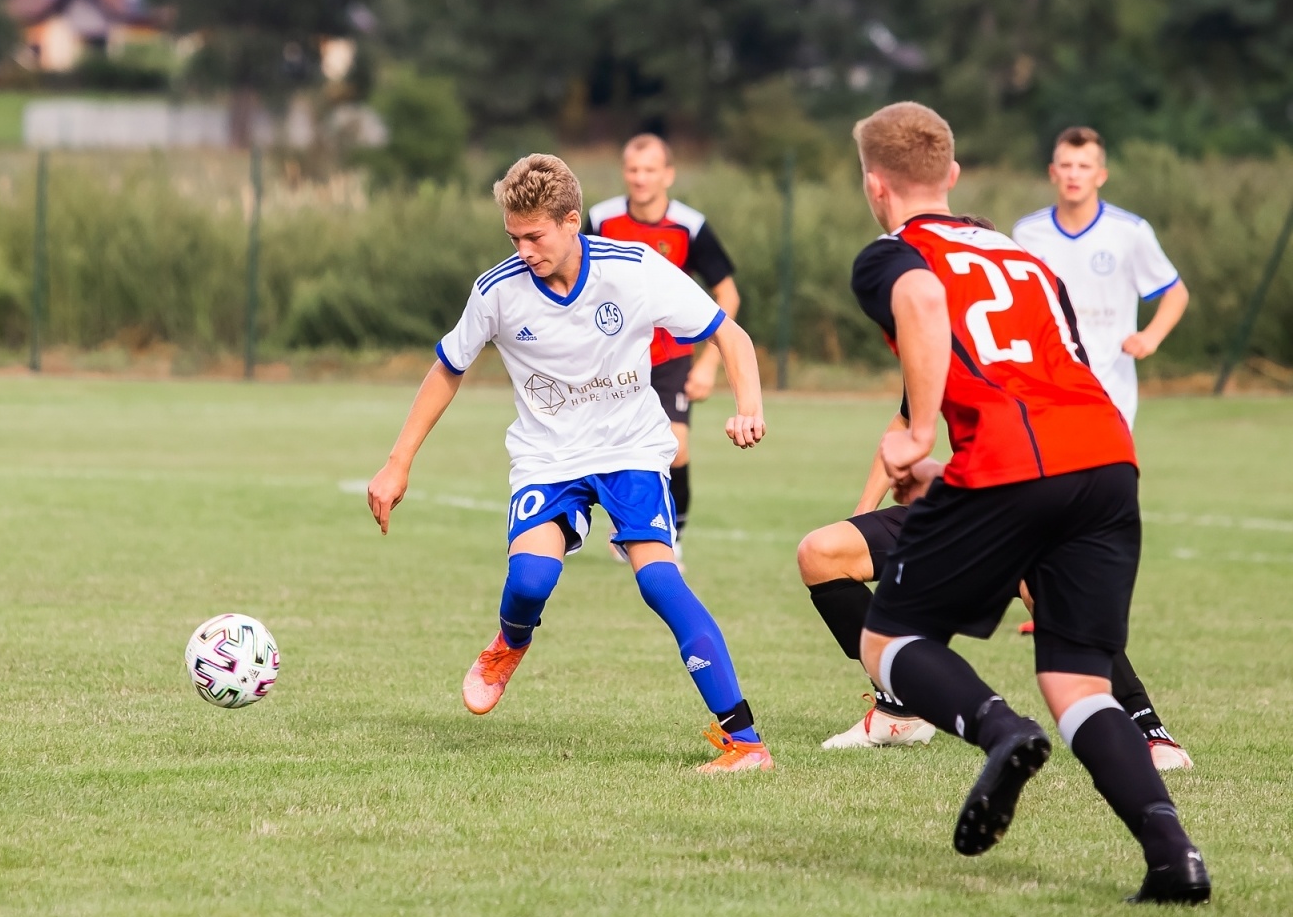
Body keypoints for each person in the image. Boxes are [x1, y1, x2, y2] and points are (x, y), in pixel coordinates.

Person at [845, 102, 1208, 902]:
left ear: (876, 184)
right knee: (1080, 681)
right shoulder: (1025, 257)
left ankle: (1000, 731)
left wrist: (918, 429)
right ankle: (1172, 855)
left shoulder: (890, 252)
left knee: (888, 637)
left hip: (1016, 458)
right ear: (954, 175)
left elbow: (925, 305)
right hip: (1108, 456)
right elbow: (1055, 366)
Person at [366, 153, 774, 773]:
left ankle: (745, 743)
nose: (524, 249)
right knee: (530, 580)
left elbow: (730, 333)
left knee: (660, 582)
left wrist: (749, 404)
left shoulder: (633, 270)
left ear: (572, 222)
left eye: (535, 236)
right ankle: (509, 642)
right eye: (514, 236)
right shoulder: (497, 291)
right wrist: (398, 462)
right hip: (547, 456)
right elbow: (447, 369)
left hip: (631, 449)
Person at [796, 404, 1195, 769]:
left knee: (1045, 592)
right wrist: (863, 513)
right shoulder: (933, 339)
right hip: (958, 505)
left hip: (1034, 500)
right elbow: (907, 420)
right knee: (822, 553)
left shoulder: (1032, 343)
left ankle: (1147, 729)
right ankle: (900, 709)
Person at [1009, 127, 1190, 636]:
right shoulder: (1027, 235)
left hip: (1108, 396)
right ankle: (1049, 605)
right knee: (1045, 500)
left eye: (1084, 166)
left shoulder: (1129, 232)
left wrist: (1150, 337)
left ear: (1100, 175)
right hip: (1044, 394)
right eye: (1065, 165)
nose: (1073, 175)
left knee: (1094, 507)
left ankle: (1091, 611)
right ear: (1052, 172)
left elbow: (1174, 293)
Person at [586, 134, 740, 559]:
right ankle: (620, 529)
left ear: (667, 174)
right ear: (624, 173)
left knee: (676, 445)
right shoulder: (600, 220)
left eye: (650, 169)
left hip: (671, 356)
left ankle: (673, 541)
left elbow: (728, 295)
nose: (641, 178)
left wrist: (710, 363)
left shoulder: (690, 226)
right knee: (608, 448)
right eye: (633, 169)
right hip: (613, 358)